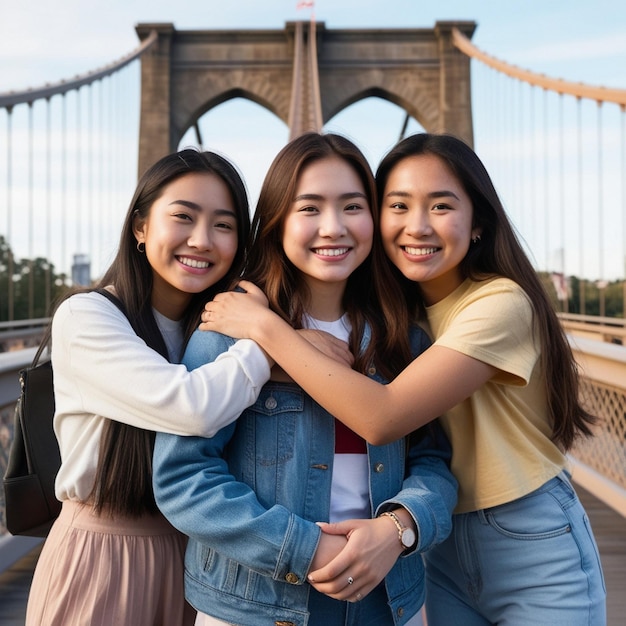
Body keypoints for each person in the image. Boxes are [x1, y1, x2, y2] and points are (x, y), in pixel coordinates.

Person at [200, 133, 607, 625]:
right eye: (398, 205)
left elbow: (385, 416)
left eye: (440, 206)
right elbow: (188, 473)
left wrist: (268, 333)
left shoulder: (498, 304)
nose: (417, 226)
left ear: (477, 221)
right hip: (438, 549)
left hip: (525, 533)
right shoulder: (401, 313)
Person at [153, 132, 457, 626]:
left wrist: (399, 528)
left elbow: (432, 462)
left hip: (387, 598)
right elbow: (184, 479)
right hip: (255, 605)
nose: (333, 228)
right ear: (276, 222)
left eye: (352, 207)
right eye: (310, 209)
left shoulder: (405, 339)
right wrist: (305, 548)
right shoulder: (227, 336)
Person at [25, 148, 275, 626]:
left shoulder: (221, 330)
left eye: (224, 225)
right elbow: (194, 406)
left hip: (201, 560)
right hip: (102, 556)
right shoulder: (87, 316)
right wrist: (270, 338)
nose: (202, 240)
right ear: (141, 227)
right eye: (183, 216)